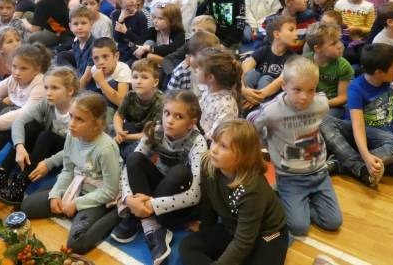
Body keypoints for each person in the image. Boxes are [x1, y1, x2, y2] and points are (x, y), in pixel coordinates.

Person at [250, 56, 343, 237]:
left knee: (333, 222)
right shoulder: (271, 111)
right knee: (299, 227)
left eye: (311, 90)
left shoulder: (321, 104)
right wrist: (265, 143)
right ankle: (287, 199)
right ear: (284, 85)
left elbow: (317, 123)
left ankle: (301, 205)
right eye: (297, 89)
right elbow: (252, 125)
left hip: (319, 174)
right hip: (290, 177)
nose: (304, 97)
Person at [21, 92, 122, 255]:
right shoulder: (72, 136)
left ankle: (118, 214)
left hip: (99, 196)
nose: (71, 124)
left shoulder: (106, 149)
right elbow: (68, 170)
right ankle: (76, 213)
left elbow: (110, 191)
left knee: (76, 243)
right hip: (77, 187)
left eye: (79, 119)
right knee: (26, 207)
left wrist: (77, 204)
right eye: (71, 116)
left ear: (97, 124)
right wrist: (55, 194)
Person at [113, 90, 207, 264]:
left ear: (191, 123)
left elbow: (195, 195)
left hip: (179, 203)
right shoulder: (155, 130)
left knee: (180, 171)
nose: (169, 120)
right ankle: (152, 227)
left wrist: (151, 205)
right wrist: (128, 199)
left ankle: (141, 217)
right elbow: (129, 167)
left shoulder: (197, 141)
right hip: (156, 191)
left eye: (179, 116)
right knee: (134, 158)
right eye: (167, 113)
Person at [179, 119, 289, 265]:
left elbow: (243, 241)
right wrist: (205, 228)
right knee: (188, 246)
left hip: (267, 234)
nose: (214, 149)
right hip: (234, 227)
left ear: (243, 156)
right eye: (214, 141)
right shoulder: (208, 163)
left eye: (223, 146)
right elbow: (208, 201)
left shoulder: (252, 189)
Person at [319, 43, 393, 187]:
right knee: (322, 121)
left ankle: (340, 162)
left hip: (380, 136)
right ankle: (360, 167)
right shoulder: (356, 89)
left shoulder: (391, 78)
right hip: (357, 133)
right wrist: (366, 156)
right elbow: (358, 126)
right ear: (379, 72)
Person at [0, 67, 80, 204]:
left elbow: (79, 148)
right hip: (48, 147)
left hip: (69, 153)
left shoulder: (79, 110)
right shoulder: (46, 103)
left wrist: (49, 163)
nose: (48, 93)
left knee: (47, 135)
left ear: (70, 90)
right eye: (46, 88)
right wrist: (19, 146)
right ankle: (2, 174)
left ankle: (21, 185)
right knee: (30, 127)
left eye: (55, 88)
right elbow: (19, 121)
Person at [112, 59, 163, 159]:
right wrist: (119, 131)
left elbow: (151, 134)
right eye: (135, 77)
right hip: (131, 130)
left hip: (149, 136)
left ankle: (122, 155)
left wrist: (125, 137)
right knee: (106, 134)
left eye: (144, 77)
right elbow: (118, 115)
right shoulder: (130, 95)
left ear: (155, 82)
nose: (138, 81)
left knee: (135, 152)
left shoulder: (161, 102)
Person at [196, 47, 241, 139]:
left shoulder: (226, 105)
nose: (196, 70)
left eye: (199, 68)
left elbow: (216, 136)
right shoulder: (207, 88)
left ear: (210, 78)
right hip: (198, 133)